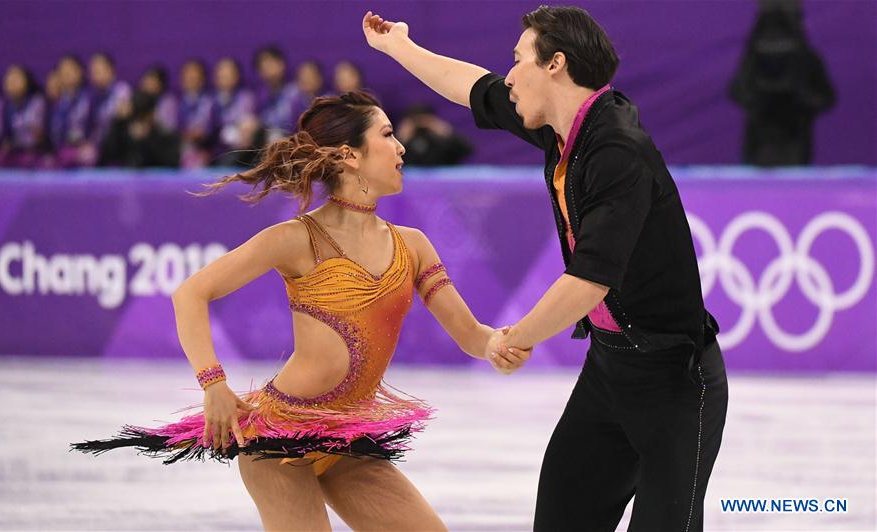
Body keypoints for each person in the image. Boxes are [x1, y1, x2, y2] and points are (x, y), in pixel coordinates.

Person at [70, 90, 530, 530]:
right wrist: (213, 384)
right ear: (350, 156)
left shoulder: (413, 245)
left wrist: (495, 344)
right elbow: (190, 294)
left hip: (349, 440)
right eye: (388, 135)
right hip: (276, 439)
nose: (401, 147)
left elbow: (471, 334)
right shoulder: (296, 238)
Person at [363, 6, 727, 531]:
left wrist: (514, 338)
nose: (508, 75)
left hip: (674, 381)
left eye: (518, 60)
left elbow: (587, 281)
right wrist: (398, 47)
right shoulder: (563, 128)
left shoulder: (618, 151)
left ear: (555, 64)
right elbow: (473, 87)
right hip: (610, 370)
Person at [729, 0, 835, 166]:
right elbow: (737, 91)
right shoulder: (755, 57)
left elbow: (826, 98)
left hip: (793, 141)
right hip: (762, 143)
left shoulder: (805, 58)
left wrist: (800, 100)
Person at [98, 91, 180, 168]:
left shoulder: (165, 134)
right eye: (135, 118)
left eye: (142, 117)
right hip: (127, 180)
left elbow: (172, 163)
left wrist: (147, 139)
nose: (139, 123)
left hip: (158, 181)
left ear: (152, 114)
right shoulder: (124, 130)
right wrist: (118, 122)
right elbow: (109, 154)